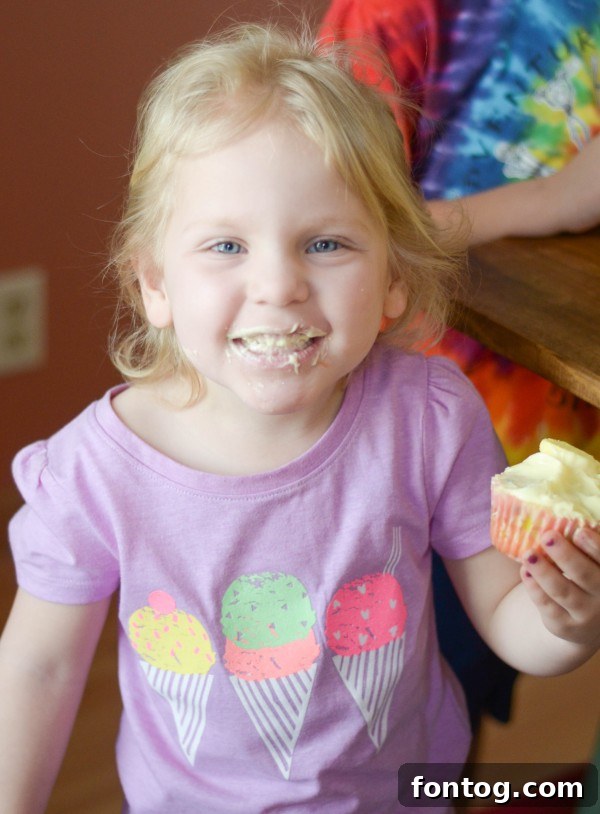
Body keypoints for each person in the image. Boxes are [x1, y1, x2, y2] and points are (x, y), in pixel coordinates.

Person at [0, 24, 598, 814]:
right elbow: (38, 670)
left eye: (325, 243)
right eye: (225, 245)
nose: (278, 285)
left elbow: (505, 620)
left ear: (392, 279)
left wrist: (570, 619)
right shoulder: (92, 474)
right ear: (154, 284)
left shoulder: (430, 418)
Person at [319, 0, 600, 728]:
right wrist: (551, 201)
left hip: (561, 461)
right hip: (417, 454)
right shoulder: (402, 15)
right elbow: (331, 226)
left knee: (453, 707)